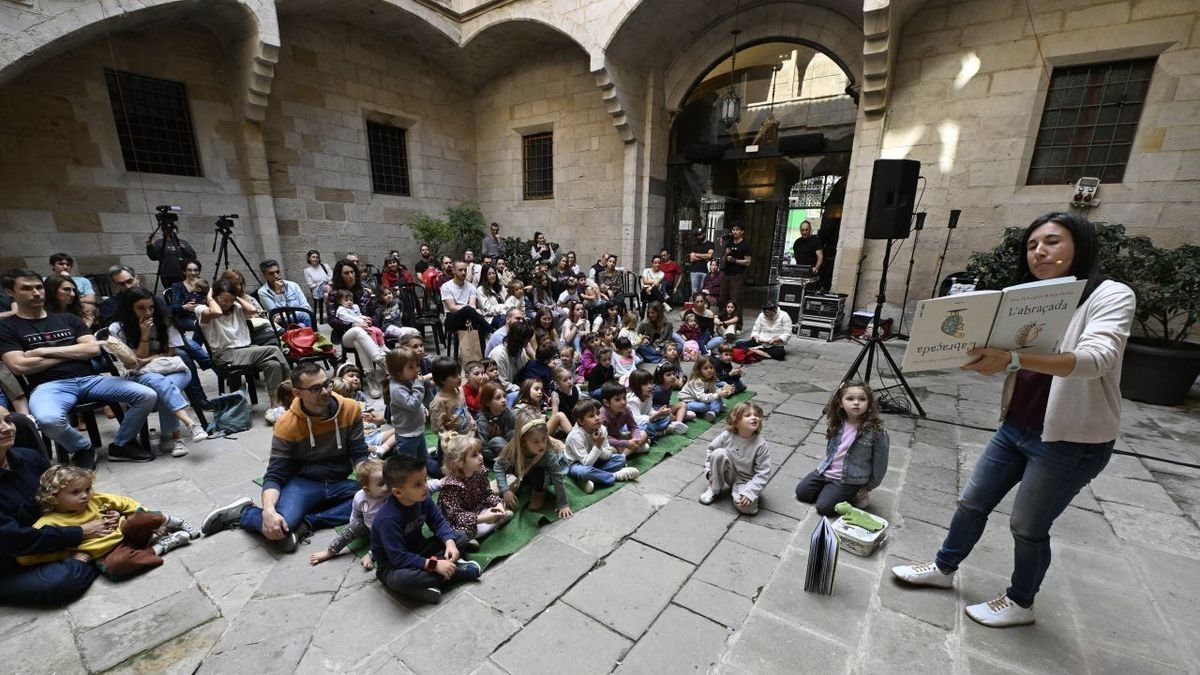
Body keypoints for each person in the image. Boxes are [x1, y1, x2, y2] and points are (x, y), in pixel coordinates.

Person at [891, 212, 1137, 628]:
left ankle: (1021, 602)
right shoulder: (1031, 296)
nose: (1039, 252)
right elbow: (1012, 356)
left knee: (1027, 526)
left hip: (1070, 441)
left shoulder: (1110, 295)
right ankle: (944, 568)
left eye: (1052, 242)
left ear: (1080, 245)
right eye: (1032, 245)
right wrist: (981, 357)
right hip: (1016, 426)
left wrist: (1013, 358)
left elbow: (1098, 358)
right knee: (972, 502)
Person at [200, 363, 367, 553]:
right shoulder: (287, 424)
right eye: (315, 388)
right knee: (281, 525)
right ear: (297, 393)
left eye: (326, 384)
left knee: (378, 500)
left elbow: (359, 453)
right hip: (304, 483)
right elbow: (275, 474)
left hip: (339, 482)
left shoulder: (350, 408)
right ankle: (245, 513)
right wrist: (269, 511)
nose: (325, 391)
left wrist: (370, 481)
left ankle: (306, 523)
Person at [0, 270, 157, 467]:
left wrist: (41, 352)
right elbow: (19, 365)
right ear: (10, 292)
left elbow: (93, 349)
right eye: (26, 288)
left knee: (147, 395)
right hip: (49, 385)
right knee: (48, 420)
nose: (36, 293)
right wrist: (73, 352)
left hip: (90, 379)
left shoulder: (68, 319)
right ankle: (82, 448)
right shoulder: (7, 327)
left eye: (39, 287)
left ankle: (121, 445)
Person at [0, 407, 104, 605]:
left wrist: (101, 510)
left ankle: (95, 553)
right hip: (9, 558)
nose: (6, 428)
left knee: (110, 521)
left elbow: (62, 494)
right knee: (58, 582)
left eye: (8, 420)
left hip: (50, 534)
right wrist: (80, 532)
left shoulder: (28, 457)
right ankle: (100, 556)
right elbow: (12, 540)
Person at [17, 465, 196, 578]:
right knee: (116, 567)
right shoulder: (49, 522)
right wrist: (66, 556)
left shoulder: (95, 499)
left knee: (142, 516)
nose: (85, 495)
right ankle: (163, 545)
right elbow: (25, 557)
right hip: (107, 552)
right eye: (75, 492)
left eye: (88, 489)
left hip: (126, 530)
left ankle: (174, 522)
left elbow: (126, 503)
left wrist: (144, 520)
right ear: (53, 497)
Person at [370, 454, 480, 604]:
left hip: (421, 549)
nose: (425, 487)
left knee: (460, 537)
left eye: (425, 480)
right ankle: (454, 572)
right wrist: (435, 565)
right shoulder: (387, 519)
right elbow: (398, 558)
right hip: (394, 566)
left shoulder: (423, 498)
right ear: (398, 492)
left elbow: (438, 522)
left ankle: (429, 583)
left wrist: (449, 543)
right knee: (400, 579)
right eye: (417, 484)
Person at [110, 288, 208, 457]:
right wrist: (144, 334)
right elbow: (134, 362)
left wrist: (148, 359)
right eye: (141, 308)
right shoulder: (118, 328)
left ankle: (177, 434)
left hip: (173, 369)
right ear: (129, 309)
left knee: (162, 386)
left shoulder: (165, 320)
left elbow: (170, 353)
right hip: (140, 375)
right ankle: (181, 433)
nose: (148, 312)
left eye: (151, 307)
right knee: (162, 385)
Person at [196, 280, 291, 414]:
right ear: (215, 296)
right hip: (225, 355)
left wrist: (236, 297)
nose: (227, 304)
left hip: (246, 350)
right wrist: (209, 297)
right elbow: (217, 312)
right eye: (223, 299)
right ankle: (290, 384)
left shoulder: (236, 307)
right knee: (274, 350)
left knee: (273, 364)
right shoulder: (202, 309)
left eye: (230, 300)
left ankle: (275, 406)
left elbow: (253, 310)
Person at [794, 381, 889, 516]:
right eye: (850, 399)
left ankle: (854, 495)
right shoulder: (838, 423)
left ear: (869, 404)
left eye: (862, 399)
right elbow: (831, 452)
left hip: (850, 479)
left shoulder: (876, 431)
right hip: (827, 470)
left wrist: (868, 486)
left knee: (824, 508)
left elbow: (880, 463)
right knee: (802, 493)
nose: (856, 403)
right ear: (840, 403)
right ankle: (830, 490)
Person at [309, 457, 387, 570]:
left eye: (389, 480)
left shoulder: (392, 494)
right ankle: (330, 551)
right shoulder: (360, 497)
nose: (388, 486)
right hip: (369, 529)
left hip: (388, 531)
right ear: (367, 490)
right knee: (353, 526)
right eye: (382, 484)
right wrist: (353, 528)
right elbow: (355, 514)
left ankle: (371, 555)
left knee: (394, 538)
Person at [436, 431, 512, 545]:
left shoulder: (479, 472)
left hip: (477, 509)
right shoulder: (452, 486)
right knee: (463, 531)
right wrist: (483, 518)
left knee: (499, 505)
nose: (481, 457)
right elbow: (456, 516)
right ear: (460, 463)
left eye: (479, 452)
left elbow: (487, 493)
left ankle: (493, 521)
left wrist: (498, 505)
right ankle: (472, 536)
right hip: (459, 520)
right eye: (474, 455)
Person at [494, 411, 572, 518]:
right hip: (524, 471)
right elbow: (498, 466)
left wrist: (563, 504)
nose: (542, 445)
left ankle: (539, 492)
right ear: (523, 442)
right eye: (536, 442)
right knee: (509, 467)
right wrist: (505, 490)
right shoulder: (514, 450)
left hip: (542, 473)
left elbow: (557, 477)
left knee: (540, 473)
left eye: (544, 439)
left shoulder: (548, 454)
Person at [326, 259, 387, 395]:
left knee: (359, 341)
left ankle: (371, 380)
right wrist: (352, 324)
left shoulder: (364, 292)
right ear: (340, 276)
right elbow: (332, 320)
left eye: (352, 272)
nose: (350, 275)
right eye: (346, 273)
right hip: (345, 334)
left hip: (365, 333)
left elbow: (374, 313)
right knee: (358, 331)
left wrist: (370, 321)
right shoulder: (335, 294)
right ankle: (383, 362)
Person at [698, 401, 770, 515]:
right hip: (729, 472)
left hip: (746, 481)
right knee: (718, 453)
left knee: (749, 509)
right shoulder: (727, 435)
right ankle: (714, 488)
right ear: (736, 421)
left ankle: (739, 492)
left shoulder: (761, 445)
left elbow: (763, 473)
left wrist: (750, 493)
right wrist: (709, 471)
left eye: (756, 415)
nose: (754, 417)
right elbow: (711, 451)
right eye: (748, 415)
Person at [563, 398, 639, 494]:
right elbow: (586, 463)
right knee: (583, 471)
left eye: (598, 413)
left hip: (595, 461)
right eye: (591, 416)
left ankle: (588, 478)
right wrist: (597, 445)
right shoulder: (575, 436)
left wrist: (599, 446)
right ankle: (614, 476)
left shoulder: (602, 429)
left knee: (620, 459)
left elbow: (608, 454)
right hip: (576, 464)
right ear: (581, 421)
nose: (597, 418)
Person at [441, 262, 492, 356]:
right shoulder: (446, 286)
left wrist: (469, 315)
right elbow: (452, 308)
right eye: (460, 270)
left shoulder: (471, 287)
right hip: (452, 318)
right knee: (468, 309)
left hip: (469, 316)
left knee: (478, 326)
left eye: (465, 270)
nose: (463, 272)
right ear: (454, 271)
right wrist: (467, 310)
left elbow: (473, 306)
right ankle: (491, 330)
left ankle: (482, 357)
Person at [628, 369, 686, 439]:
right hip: (636, 424)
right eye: (645, 384)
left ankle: (653, 433)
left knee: (666, 418)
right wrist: (655, 416)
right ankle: (660, 433)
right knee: (643, 428)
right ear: (636, 386)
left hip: (648, 420)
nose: (650, 386)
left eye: (650, 383)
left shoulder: (649, 395)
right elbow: (636, 421)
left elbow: (649, 409)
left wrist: (658, 414)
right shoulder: (632, 401)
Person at [598, 382, 649, 456]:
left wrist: (636, 439)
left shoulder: (626, 409)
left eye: (624, 398)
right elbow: (604, 438)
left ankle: (624, 453)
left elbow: (633, 427)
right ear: (606, 402)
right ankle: (626, 453)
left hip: (619, 437)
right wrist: (626, 443)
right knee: (611, 451)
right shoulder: (602, 416)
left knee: (643, 434)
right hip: (607, 442)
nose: (623, 402)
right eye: (617, 399)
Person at [257, 260, 312, 326]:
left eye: (277, 272)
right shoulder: (263, 292)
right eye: (271, 273)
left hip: (301, 318)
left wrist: (287, 313)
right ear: (264, 276)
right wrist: (278, 293)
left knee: (301, 325)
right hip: (282, 324)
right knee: (304, 316)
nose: (276, 276)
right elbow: (277, 315)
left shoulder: (293, 285)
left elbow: (306, 307)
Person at [680, 356, 735, 422]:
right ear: (699, 370)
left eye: (711, 367)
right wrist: (718, 394)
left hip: (700, 398)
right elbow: (702, 398)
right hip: (689, 400)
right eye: (705, 368)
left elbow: (714, 390)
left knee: (717, 396)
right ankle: (715, 408)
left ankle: (713, 412)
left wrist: (724, 390)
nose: (709, 370)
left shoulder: (710, 378)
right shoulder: (697, 381)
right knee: (702, 406)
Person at [474, 381, 515, 463]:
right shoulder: (482, 421)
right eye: (498, 398)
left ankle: (515, 457)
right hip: (493, 455)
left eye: (504, 396)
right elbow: (483, 448)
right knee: (497, 440)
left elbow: (516, 429)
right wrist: (494, 460)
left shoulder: (507, 412)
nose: (503, 400)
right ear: (487, 403)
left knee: (514, 432)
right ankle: (510, 461)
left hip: (508, 447)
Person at [488, 321, 533, 393]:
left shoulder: (521, 351)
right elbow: (501, 383)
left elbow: (524, 374)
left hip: (516, 387)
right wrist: (521, 390)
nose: (528, 341)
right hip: (501, 391)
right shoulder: (499, 354)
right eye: (527, 339)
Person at [719, 223, 751, 308]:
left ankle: (736, 316)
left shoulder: (745, 245)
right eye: (733, 230)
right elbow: (723, 260)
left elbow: (748, 262)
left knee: (735, 299)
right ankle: (722, 315)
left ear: (742, 231)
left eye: (737, 230)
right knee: (722, 298)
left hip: (737, 275)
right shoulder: (729, 243)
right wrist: (726, 253)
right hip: (726, 274)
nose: (735, 232)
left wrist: (735, 260)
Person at [687, 230, 715, 297]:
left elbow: (709, 256)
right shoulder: (694, 245)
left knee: (703, 291)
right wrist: (705, 257)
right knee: (694, 292)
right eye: (697, 235)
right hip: (694, 271)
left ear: (704, 234)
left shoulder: (710, 244)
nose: (698, 236)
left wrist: (696, 254)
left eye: (700, 234)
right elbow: (692, 259)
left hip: (705, 271)